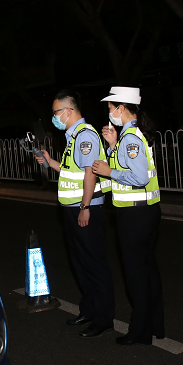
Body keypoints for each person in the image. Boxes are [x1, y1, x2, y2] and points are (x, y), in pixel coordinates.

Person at [36, 90, 115, 338]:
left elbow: (91, 173)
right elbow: (74, 171)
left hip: (85, 210)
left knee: (94, 264)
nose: (54, 118)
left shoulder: (85, 136)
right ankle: (89, 310)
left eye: (56, 113)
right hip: (72, 210)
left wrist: (85, 207)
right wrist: (51, 163)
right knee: (80, 264)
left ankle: (103, 319)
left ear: (69, 111)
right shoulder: (74, 137)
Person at [91, 86, 164, 346]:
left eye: (110, 108)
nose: (109, 113)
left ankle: (140, 332)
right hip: (145, 211)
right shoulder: (130, 136)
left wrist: (109, 172)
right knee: (148, 271)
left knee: (136, 275)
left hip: (135, 215)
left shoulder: (131, 138)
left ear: (121, 108)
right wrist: (112, 146)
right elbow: (127, 166)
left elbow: (138, 176)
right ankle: (156, 325)